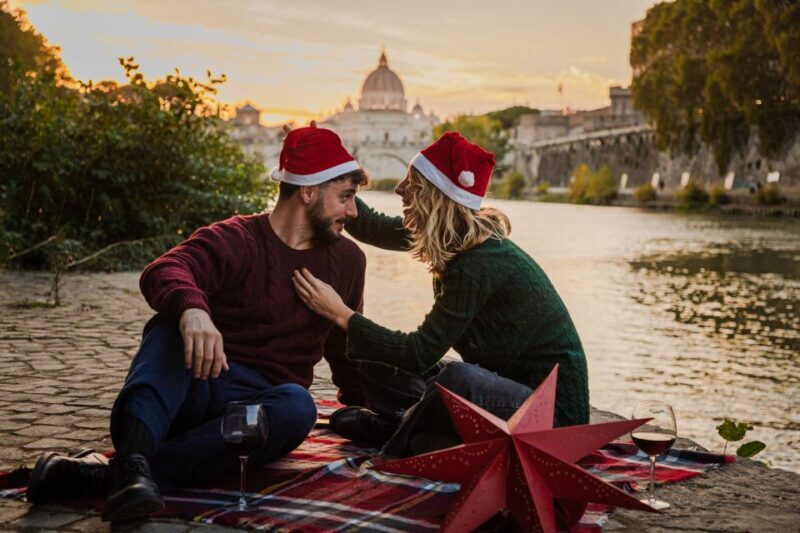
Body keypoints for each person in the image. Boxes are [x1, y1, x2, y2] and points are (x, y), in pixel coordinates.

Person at [26, 125, 369, 522]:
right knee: (168, 326)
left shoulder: (349, 261)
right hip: (192, 389)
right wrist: (193, 310)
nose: (353, 212)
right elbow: (166, 269)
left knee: (298, 405)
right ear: (308, 192)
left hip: (256, 412)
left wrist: (370, 410)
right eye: (345, 197)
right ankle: (134, 459)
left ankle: (124, 472)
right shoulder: (237, 238)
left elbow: (346, 350)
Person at [292, 131, 589, 457]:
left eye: (411, 183)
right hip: (503, 391)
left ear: (433, 196)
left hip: (552, 419)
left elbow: (419, 353)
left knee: (457, 378)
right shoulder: (448, 233)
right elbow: (371, 226)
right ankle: (412, 425)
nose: (399, 189)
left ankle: (399, 436)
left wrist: (340, 314)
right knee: (373, 357)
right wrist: (326, 166)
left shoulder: (479, 262)